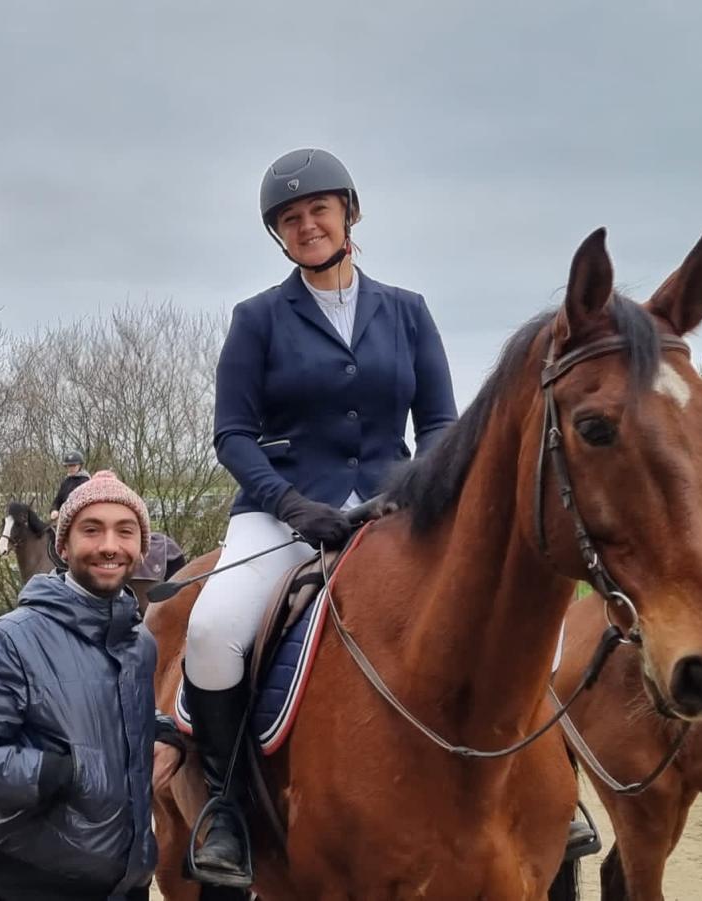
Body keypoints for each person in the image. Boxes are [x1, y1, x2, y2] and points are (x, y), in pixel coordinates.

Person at [181, 148, 461, 887]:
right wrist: (289, 503)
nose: (306, 225)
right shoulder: (258, 319)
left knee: (500, 608)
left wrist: (412, 488)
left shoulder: (407, 311)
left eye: (318, 210)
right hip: (282, 513)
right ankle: (226, 806)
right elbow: (232, 435)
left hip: (394, 508)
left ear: (349, 214)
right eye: (290, 218)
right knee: (210, 632)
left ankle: (546, 784)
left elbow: (438, 422)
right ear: (279, 235)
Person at [0, 471, 181, 901]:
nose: (109, 546)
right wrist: (56, 773)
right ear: (63, 546)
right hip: (33, 886)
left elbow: (108, 711)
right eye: (91, 530)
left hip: (128, 884)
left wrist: (166, 735)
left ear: (141, 548)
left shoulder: (139, 645)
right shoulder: (11, 640)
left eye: (125, 531)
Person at [48, 451, 91, 521]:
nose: (71, 468)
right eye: (69, 466)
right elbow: (58, 499)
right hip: (65, 519)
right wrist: (54, 510)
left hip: (80, 519)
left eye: (74, 466)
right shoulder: (66, 482)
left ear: (80, 466)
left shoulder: (86, 482)